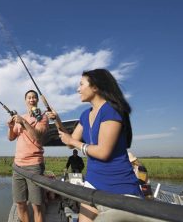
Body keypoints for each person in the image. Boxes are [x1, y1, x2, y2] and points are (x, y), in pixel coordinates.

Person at [49, 69, 142, 222]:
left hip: (119, 189)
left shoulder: (111, 110)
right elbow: (70, 142)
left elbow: (103, 152)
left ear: (95, 87)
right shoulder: (85, 115)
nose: (77, 89)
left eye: (81, 84)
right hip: (92, 183)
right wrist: (57, 120)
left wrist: (72, 142)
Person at [7, 90, 49, 222]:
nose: (31, 100)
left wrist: (24, 122)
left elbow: (38, 137)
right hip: (18, 166)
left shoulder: (42, 117)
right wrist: (10, 126)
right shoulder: (21, 117)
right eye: (29, 98)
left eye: (34, 98)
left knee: (37, 205)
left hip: (34, 165)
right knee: (20, 203)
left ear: (37, 100)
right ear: (25, 100)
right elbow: (11, 138)